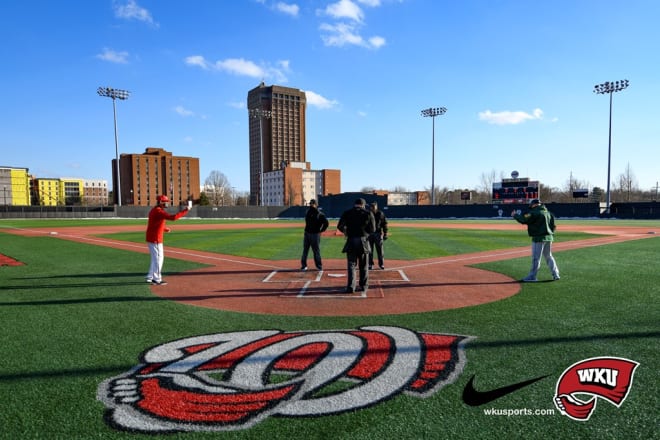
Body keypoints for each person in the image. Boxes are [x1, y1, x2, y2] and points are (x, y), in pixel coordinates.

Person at [511, 198, 560, 282]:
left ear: (534, 204)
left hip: (538, 238)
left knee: (536, 258)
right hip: (549, 237)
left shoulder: (534, 213)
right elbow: (553, 227)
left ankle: (532, 276)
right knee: (549, 256)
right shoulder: (548, 213)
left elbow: (523, 220)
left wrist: (515, 215)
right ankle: (556, 274)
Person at [145, 195, 190, 285]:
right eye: (165, 202)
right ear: (161, 202)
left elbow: (155, 223)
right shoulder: (158, 211)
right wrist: (186, 210)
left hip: (151, 237)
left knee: (154, 259)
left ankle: (150, 276)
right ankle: (157, 279)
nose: (167, 203)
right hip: (155, 239)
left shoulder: (154, 210)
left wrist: (164, 229)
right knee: (158, 259)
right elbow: (173, 218)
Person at [337, 198, 376, 293]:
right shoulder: (368, 213)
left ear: (355, 204)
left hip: (351, 240)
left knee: (351, 265)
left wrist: (346, 231)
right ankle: (363, 286)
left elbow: (340, 226)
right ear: (363, 205)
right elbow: (373, 229)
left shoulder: (347, 212)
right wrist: (365, 233)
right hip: (363, 241)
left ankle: (351, 287)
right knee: (364, 265)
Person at [300, 199, 329, 271]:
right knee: (311, 250)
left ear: (315, 204)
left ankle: (310, 266)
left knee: (311, 250)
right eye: (311, 204)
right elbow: (326, 223)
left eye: (312, 204)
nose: (311, 205)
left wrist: (321, 230)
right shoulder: (317, 213)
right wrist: (321, 230)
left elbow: (326, 223)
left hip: (311, 233)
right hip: (311, 234)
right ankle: (315, 266)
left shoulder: (311, 212)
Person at [368, 202, 389, 270]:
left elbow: (384, 224)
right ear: (370, 207)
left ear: (376, 207)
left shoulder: (380, 213)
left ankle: (381, 264)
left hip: (378, 234)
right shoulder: (368, 213)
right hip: (369, 234)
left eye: (374, 207)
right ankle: (370, 264)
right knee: (369, 250)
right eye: (372, 207)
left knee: (380, 250)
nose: (373, 208)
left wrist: (385, 233)